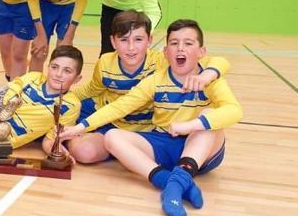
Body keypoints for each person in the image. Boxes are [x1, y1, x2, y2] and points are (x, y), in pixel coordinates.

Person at [63, 19, 242, 216]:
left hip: (201, 148)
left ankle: (180, 178)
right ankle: (169, 181)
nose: (180, 48)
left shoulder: (211, 80)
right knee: (112, 136)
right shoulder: (155, 80)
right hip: (164, 143)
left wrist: (188, 126)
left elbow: (235, 111)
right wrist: (79, 127)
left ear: (202, 52)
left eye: (188, 43)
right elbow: (120, 106)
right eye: (174, 43)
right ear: (166, 52)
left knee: (209, 118)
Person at [63, 10, 230, 165]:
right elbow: (92, 90)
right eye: (123, 40)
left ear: (149, 40)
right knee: (84, 152)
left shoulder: (162, 61)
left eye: (138, 39)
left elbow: (218, 61)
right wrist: (62, 94)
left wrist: (208, 74)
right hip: (111, 119)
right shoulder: (105, 62)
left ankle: (117, 148)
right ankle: (67, 137)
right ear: (113, 41)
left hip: (147, 130)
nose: (131, 47)